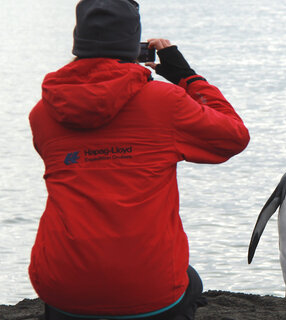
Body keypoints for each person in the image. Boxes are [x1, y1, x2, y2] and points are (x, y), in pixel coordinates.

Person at [28, 0, 250, 319]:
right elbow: (234, 137)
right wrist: (187, 76)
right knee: (189, 281)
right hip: (149, 290)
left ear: (80, 41)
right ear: (135, 46)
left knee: (73, 287)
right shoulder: (165, 103)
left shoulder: (43, 113)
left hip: (63, 284)